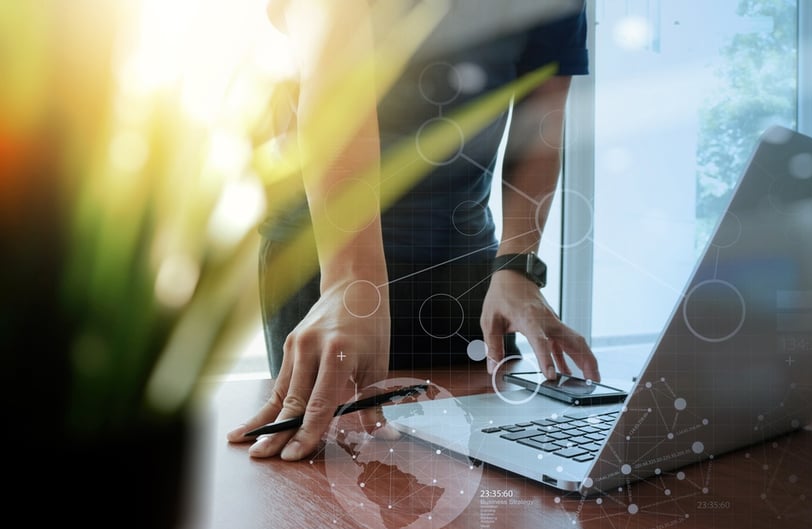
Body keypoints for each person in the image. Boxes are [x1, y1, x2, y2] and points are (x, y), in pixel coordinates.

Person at [227, 0, 600, 461]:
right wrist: (350, 281)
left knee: (464, 466)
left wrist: (517, 266)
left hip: (461, 266)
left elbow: (540, 120)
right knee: (326, 463)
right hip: (322, 256)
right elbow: (337, 72)